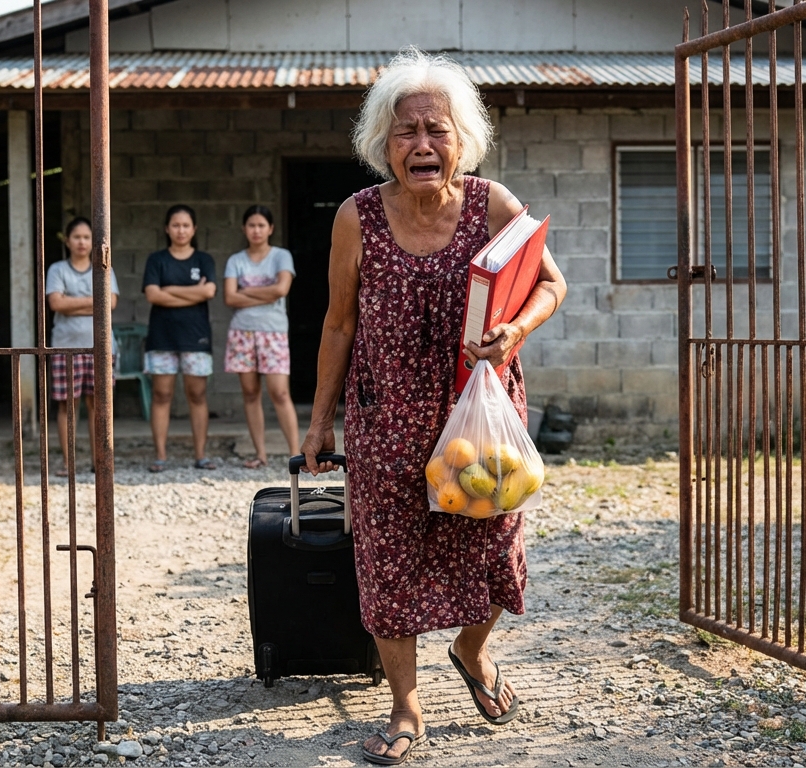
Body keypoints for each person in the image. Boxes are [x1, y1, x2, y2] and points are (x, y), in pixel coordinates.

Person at [300, 48, 567, 765]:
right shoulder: (357, 217)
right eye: (405, 131)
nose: (422, 144)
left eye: (436, 129)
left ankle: (472, 651)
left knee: (497, 544)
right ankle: (405, 705)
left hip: (478, 417)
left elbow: (552, 284)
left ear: (460, 138)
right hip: (386, 418)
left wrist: (517, 330)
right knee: (388, 559)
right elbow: (338, 324)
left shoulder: (492, 205)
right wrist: (320, 422)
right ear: (383, 144)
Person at [141, 204, 218, 471]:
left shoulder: (204, 260)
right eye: (176, 225)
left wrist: (169, 291)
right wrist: (192, 293)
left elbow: (208, 292)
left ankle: (201, 455)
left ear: (194, 229)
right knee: (161, 395)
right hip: (162, 337)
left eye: (186, 225)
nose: (181, 230)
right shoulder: (157, 260)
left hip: (196, 337)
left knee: (197, 395)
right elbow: (152, 295)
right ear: (167, 228)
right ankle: (160, 456)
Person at [223, 205, 299, 469]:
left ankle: (295, 454)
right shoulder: (235, 260)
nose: (256, 230)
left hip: (273, 331)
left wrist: (245, 291)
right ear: (244, 229)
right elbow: (229, 297)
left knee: (280, 393)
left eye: (261, 225)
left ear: (270, 229)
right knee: (250, 393)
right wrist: (265, 293)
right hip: (242, 332)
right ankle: (261, 454)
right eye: (251, 225)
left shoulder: (281, 256)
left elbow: (281, 289)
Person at [45, 217, 119, 477]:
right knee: (67, 406)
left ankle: (100, 462)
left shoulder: (104, 268)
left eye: (87, 237)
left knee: (98, 406)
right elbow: (56, 304)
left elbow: (110, 303)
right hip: (66, 347)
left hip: (101, 347)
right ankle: (69, 463)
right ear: (67, 240)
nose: (82, 242)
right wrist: (94, 302)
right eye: (77, 237)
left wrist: (72, 303)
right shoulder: (57, 269)